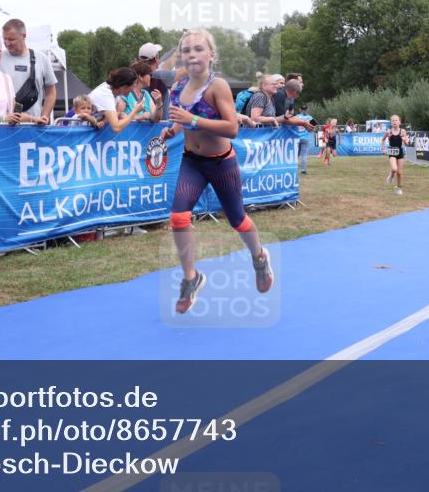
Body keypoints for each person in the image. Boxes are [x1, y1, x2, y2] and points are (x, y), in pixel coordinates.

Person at [161, 28, 273, 314]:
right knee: (178, 217)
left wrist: (192, 120)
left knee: (237, 220)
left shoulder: (217, 86)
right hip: (192, 162)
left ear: (211, 55)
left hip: (221, 162)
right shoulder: (178, 85)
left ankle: (259, 257)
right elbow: (182, 120)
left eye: (198, 49)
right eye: (186, 50)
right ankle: (191, 278)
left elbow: (232, 128)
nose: (191, 54)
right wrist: (173, 129)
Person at [1, 18, 56, 124]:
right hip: (4, 125)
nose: (7, 43)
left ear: (24, 36)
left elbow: (51, 93)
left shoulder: (42, 58)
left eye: (12, 39)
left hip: (33, 125)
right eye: (5, 39)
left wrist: (44, 116)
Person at [88, 67, 145, 133]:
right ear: (124, 86)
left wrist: (119, 114)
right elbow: (116, 128)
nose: (133, 89)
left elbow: (108, 118)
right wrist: (135, 110)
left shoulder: (114, 93)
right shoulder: (106, 94)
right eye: (133, 85)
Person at [382, 115, 408, 195]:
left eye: (396, 120)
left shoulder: (403, 131)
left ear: (399, 122)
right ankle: (391, 175)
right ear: (391, 123)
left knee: (399, 172)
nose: (395, 122)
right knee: (394, 168)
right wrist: (383, 148)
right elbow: (383, 140)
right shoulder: (388, 132)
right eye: (393, 120)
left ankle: (399, 188)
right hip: (392, 152)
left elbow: (407, 143)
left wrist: (404, 140)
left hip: (400, 152)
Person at [294, 105, 314, 174]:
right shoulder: (310, 118)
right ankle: (303, 170)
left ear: (300, 109)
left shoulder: (297, 116)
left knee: (296, 154)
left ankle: (293, 169)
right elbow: (314, 128)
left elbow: (292, 126)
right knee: (304, 155)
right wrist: (309, 130)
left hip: (297, 137)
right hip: (305, 138)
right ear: (307, 109)